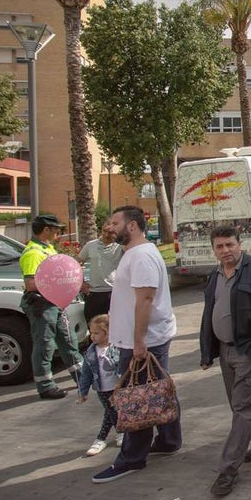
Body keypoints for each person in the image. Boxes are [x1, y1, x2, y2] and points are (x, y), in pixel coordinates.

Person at [92, 205, 181, 484]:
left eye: (115, 222)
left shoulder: (141, 256)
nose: (110, 227)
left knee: (137, 400)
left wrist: (139, 341)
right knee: (157, 388)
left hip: (142, 342)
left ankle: (132, 458)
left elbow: (145, 299)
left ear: (131, 226)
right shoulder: (135, 253)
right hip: (142, 339)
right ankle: (169, 440)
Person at [198, 225, 251, 497]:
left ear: (240, 244)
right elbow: (208, 312)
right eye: (220, 247)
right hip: (225, 351)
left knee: (242, 408)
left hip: (249, 350)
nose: (225, 251)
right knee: (244, 400)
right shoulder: (215, 275)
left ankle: (228, 469)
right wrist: (206, 351)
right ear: (214, 250)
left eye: (230, 245)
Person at [19, 213, 83, 400]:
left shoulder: (48, 250)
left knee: (68, 340)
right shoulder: (33, 253)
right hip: (41, 304)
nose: (59, 233)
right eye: (56, 230)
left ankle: (82, 376)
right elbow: (31, 283)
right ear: (46, 229)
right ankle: (45, 386)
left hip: (54, 303)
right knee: (45, 345)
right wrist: (59, 285)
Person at [76, 314, 122, 457]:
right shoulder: (91, 352)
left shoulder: (117, 347)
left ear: (108, 332)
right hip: (102, 388)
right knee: (111, 411)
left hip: (118, 387)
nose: (92, 336)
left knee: (111, 412)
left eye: (96, 333)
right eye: (91, 332)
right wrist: (83, 391)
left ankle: (102, 439)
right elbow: (86, 373)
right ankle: (118, 433)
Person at [77, 220, 123, 320]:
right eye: (104, 231)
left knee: (116, 325)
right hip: (94, 292)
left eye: (110, 232)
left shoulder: (120, 247)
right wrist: (82, 282)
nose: (106, 235)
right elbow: (77, 263)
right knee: (93, 323)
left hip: (114, 292)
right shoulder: (90, 245)